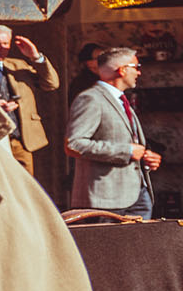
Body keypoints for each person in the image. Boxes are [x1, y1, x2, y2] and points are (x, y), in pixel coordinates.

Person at [68, 46, 160, 218]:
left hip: (137, 196)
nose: (139, 73)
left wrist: (145, 158)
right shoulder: (90, 99)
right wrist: (127, 151)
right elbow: (74, 144)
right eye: (136, 68)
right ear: (122, 70)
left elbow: (125, 140)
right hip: (106, 200)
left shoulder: (122, 100)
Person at [0, 24, 59, 176]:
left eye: (6, 44)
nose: (2, 49)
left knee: (25, 185)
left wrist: (35, 57)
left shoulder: (18, 65)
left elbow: (51, 83)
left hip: (20, 140)